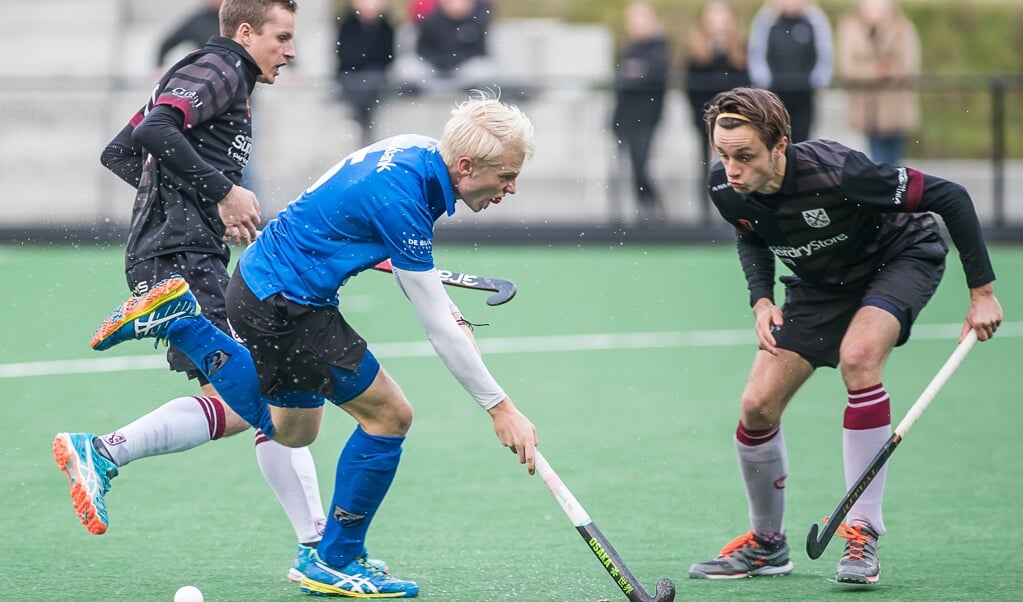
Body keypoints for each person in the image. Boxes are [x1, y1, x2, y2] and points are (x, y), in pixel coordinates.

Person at [89, 90, 540, 598]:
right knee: (390, 416)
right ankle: (337, 557)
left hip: (261, 284)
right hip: (289, 304)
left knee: (292, 432)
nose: (512, 188)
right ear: (465, 164)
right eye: (506, 176)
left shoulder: (413, 150)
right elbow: (435, 325)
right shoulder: (404, 198)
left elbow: (335, 199)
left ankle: (182, 324)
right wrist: (500, 408)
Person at [52, 0, 329, 584]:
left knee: (244, 406)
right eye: (281, 37)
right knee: (272, 397)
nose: (291, 50)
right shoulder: (222, 66)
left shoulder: (222, 75)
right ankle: (323, 551)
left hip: (177, 249)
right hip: (180, 255)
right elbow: (154, 130)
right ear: (246, 32)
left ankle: (103, 451)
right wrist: (221, 192)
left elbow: (120, 151)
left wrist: (200, 200)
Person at [687, 87, 1002, 585]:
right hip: (819, 283)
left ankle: (862, 532)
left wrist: (981, 291)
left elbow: (951, 197)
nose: (732, 169)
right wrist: (761, 299)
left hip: (898, 257)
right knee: (757, 406)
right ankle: (768, 546)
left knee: (858, 357)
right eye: (723, 155)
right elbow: (750, 230)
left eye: (744, 156)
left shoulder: (840, 172)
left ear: (780, 146)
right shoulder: (725, 186)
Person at [683, 1, 751, 209]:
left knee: (737, 162)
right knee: (705, 163)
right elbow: (691, 85)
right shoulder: (696, 49)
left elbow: (744, 84)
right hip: (704, 117)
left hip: (735, 119)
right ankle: (704, 209)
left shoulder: (740, 47)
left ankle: (738, 207)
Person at [836, 0, 921, 166]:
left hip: (895, 106)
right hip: (867, 109)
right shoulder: (850, 29)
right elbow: (847, 68)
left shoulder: (902, 28)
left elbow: (908, 66)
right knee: (876, 160)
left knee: (892, 161)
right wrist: (877, 70)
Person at [611, 1, 670, 226]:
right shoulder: (629, 47)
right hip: (626, 116)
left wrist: (636, 72)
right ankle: (644, 212)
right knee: (632, 166)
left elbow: (652, 75)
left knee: (641, 164)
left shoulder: (659, 45)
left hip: (647, 117)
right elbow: (623, 79)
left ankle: (652, 209)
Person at [747, 0, 833, 143]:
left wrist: (815, 80)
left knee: (802, 142)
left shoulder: (814, 22)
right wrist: (766, 82)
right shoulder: (766, 23)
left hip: (804, 94)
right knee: (775, 140)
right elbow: (756, 53)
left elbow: (825, 53)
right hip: (774, 95)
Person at [395, 0, 496, 95]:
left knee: (481, 69)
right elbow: (422, 51)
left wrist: (455, 62)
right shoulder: (430, 20)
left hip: (462, 72)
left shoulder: (477, 22)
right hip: (433, 70)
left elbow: (480, 53)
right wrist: (441, 64)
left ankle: (458, 90)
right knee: (407, 66)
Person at [334, 0, 396, 146]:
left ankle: (359, 121)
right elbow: (346, 58)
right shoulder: (347, 26)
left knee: (371, 83)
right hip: (351, 77)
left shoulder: (386, 27)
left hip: (375, 77)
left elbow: (387, 57)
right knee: (361, 84)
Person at [156, 0, 224, 68]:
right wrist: (160, 67)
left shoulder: (231, 20)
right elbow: (167, 44)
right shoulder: (198, 21)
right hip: (205, 69)